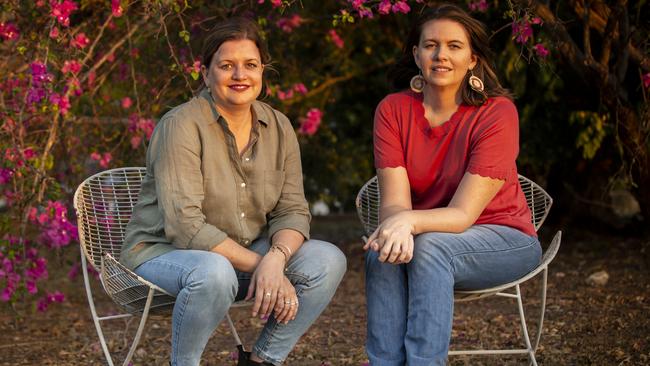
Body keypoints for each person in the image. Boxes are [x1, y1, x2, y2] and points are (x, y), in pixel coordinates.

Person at [120, 17, 346, 366]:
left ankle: (261, 360)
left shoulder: (279, 126)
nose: (240, 75)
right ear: (206, 73)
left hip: (240, 254)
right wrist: (264, 265)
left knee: (327, 260)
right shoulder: (180, 125)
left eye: (250, 65)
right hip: (163, 253)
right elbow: (186, 227)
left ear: (262, 71)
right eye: (226, 66)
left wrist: (278, 257)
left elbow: (292, 211)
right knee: (214, 271)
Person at [364, 4, 542, 365]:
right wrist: (397, 224)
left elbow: (462, 216)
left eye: (454, 46)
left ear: (473, 58)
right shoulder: (393, 110)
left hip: (505, 237)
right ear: (417, 55)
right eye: (430, 45)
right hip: (430, 233)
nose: (441, 55)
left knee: (429, 248)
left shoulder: (497, 112)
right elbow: (395, 204)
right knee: (381, 251)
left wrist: (407, 222)